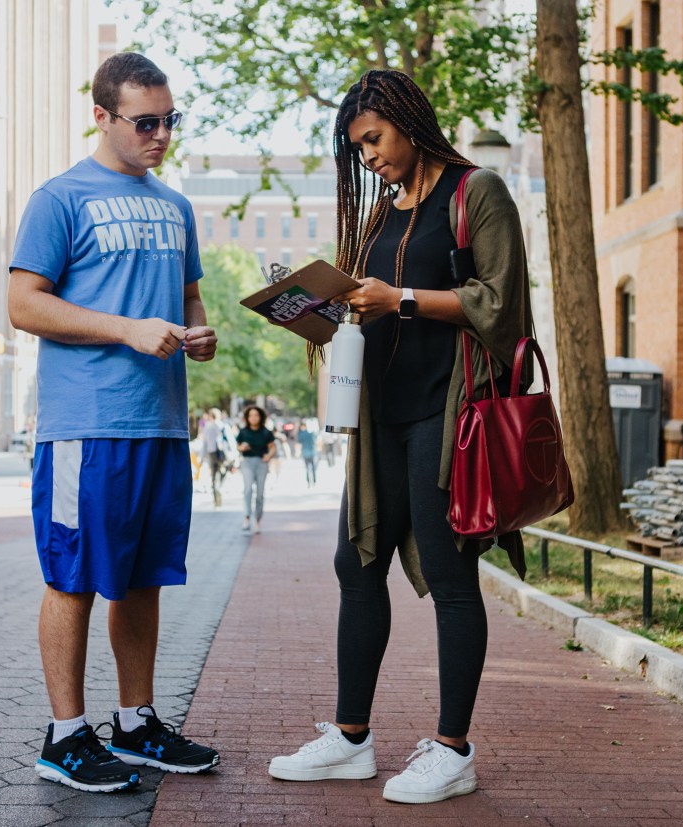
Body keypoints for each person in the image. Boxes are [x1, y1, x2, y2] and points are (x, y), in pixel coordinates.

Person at [268, 70, 530, 804]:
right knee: (356, 564)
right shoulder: (380, 212)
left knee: (450, 577)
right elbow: (364, 304)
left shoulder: (477, 193)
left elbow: (501, 305)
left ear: (411, 122)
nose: (370, 157)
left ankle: (453, 749)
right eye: (358, 149)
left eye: (375, 140)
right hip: (378, 411)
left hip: (447, 414)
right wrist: (317, 308)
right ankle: (351, 739)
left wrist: (402, 297)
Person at [7, 51, 220, 795]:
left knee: (141, 579)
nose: (162, 134)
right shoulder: (59, 198)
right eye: (146, 122)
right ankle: (65, 736)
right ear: (102, 115)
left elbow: (189, 299)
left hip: (159, 425)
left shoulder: (176, 206)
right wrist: (126, 329)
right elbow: (24, 303)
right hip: (82, 427)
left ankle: (136, 722)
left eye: (171, 120)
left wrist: (200, 330)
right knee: (73, 577)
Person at [235, 405, 274, 533]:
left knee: (260, 493)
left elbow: (272, 447)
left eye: (256, 415)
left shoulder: (266, 432)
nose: (253, 418)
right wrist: (243, 447)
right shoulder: (243, 432)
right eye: (251, 415)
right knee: (247, 490)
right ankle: (247, 517)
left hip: (262, 463)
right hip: (247, 462)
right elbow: (238, 447)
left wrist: (268, 456)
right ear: (247, 417)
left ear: (260, 417)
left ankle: (257, 520)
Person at [200, 408, 231, 507]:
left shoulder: (207, 427)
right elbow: (230, 442)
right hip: (223, 454)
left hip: (211, 453)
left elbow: (204, 443)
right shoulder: (224, 426)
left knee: (213, 475)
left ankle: (216, 498)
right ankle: (219, 487)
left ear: (210, 416)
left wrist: (201, 457)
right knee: (223, 472)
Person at [297, 420, 319, 488]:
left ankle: (309, 482)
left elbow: (299, 443)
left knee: (307, 468)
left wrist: (297, 453)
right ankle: (314, 482)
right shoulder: (312, 433)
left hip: (305, 452)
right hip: (312, 452)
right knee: (313, 468)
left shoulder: (301, 434)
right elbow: (316, 441)